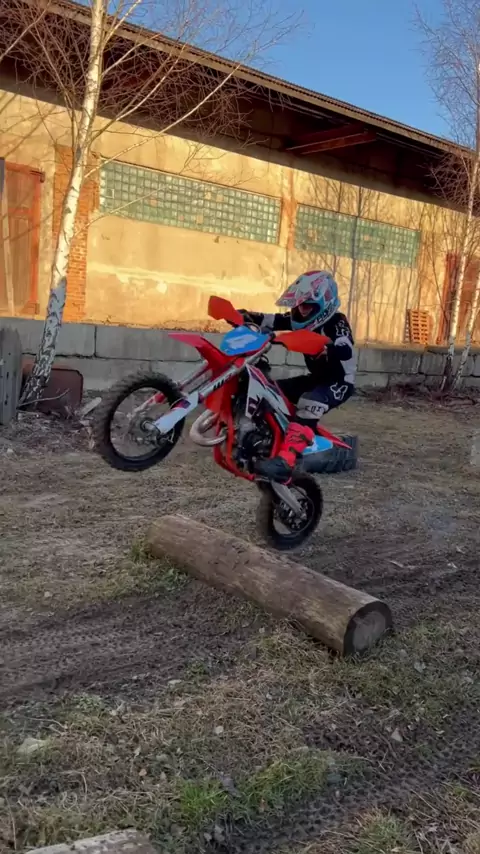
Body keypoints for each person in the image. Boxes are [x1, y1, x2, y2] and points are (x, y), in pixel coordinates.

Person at [241, 270, 356, 483]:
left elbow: (346, 346)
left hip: (339, 382)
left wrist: (329, 349)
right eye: (299, 305)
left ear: (323, 303)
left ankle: (286, 462)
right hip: (316, 378)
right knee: (269, 390)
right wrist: (246, 316)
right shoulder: (298, 318)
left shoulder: (337, 322)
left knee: (309, 403)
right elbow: (274, 319)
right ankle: (262, 439)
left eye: (307, 306)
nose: (301, 311)